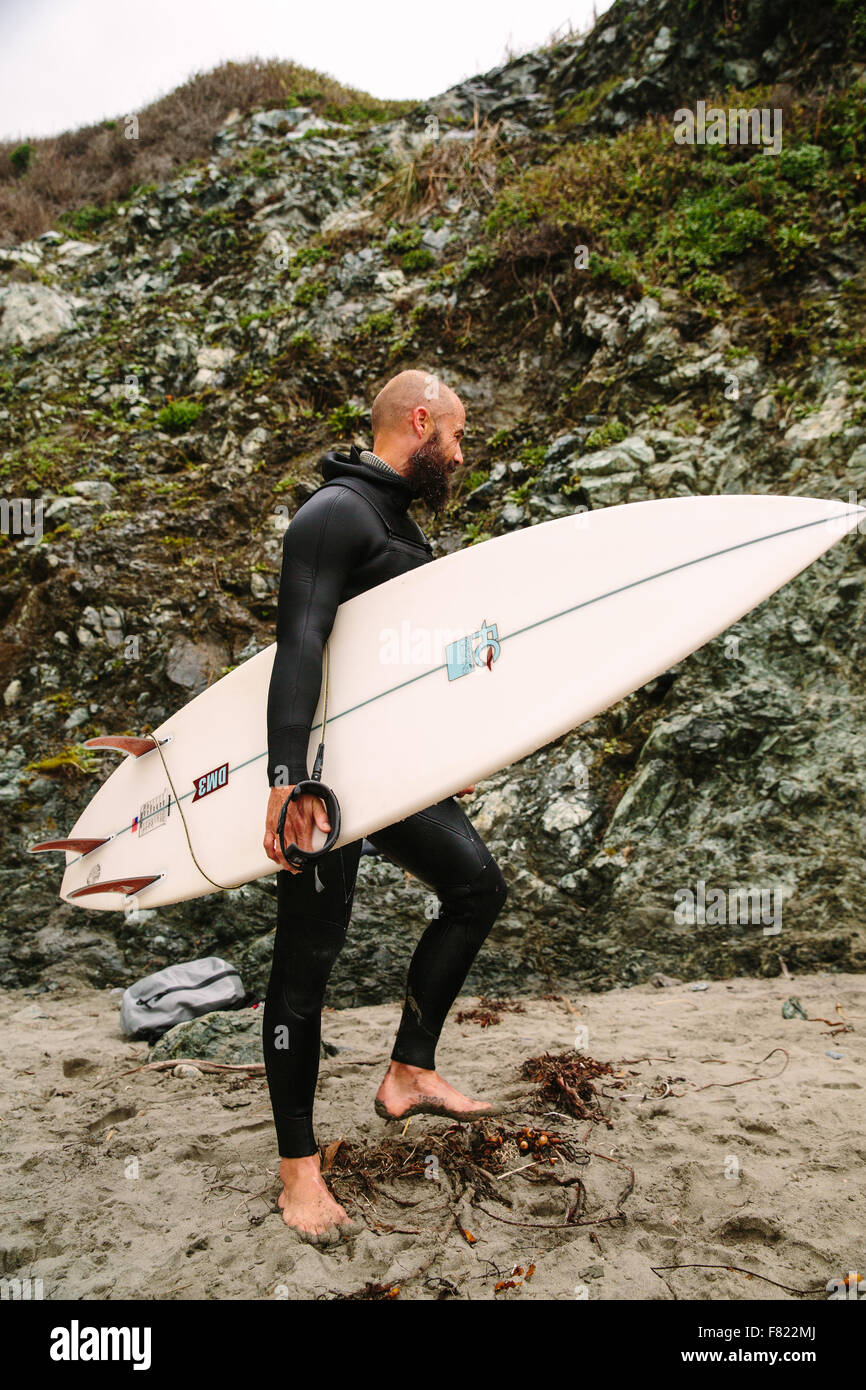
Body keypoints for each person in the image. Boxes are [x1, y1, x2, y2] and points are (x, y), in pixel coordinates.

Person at [261, 370, 508, 1244]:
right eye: (458, 436)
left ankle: (408, 1071)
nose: (462, 454)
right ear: (420, 421)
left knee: (477, 887)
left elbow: (391, 665)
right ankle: (299, 1171)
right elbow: (302, 644)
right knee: (308, 962)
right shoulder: (334, 514)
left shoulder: (397, 522)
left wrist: (445, 751)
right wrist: (286, 779)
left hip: (392, 773)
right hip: (326, 778)